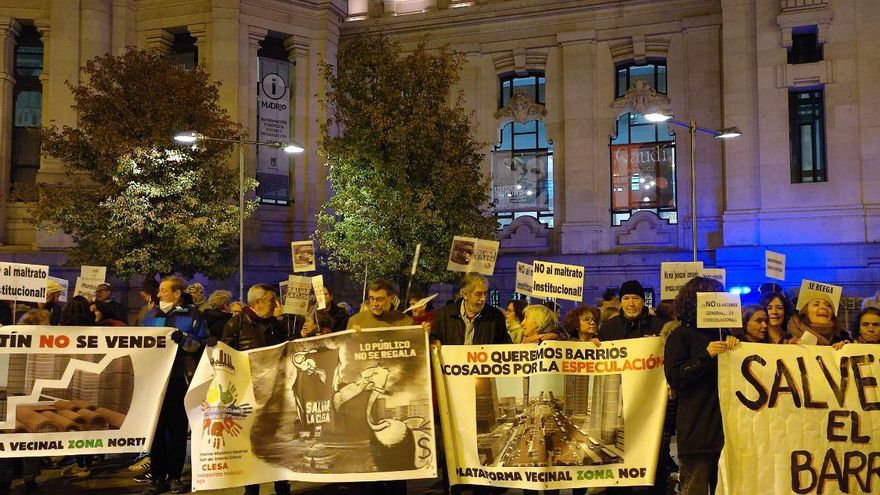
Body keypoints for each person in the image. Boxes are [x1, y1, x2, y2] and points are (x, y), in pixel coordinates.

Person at [664, 277, 739, 495]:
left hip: (726, 432)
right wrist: (706, 356)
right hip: (697, 432)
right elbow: (676, 377)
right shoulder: (680, 336)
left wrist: (736, 347)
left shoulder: (725, 334)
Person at [219, 284, 290, 495]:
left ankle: (281, 483)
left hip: (275, 393)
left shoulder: (276, 325)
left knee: (278, 441)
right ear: (258, 302)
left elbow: (289, 347)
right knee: (250, 443)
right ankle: (251, 487)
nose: (275, 304)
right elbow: (226, 356)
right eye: (271, 300)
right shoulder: (236, 323)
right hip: (248, 393)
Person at [142, 276, 207, 495]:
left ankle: (175, 476)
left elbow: (200, 345)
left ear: (177, 294)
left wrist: (185, 339)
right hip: (156, 382)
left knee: (177, 431)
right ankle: (157, 477)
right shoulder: (151, 316)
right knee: (156, 431)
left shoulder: (193, 316)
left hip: (180, 381)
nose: (158, 295)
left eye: (163, 290)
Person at [430, 272, 510, 346]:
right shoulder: (444, 316)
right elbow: (433, 339)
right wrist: (433, 340)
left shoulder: (496, 317)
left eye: (485, 293)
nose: (483, 298)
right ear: (465, 295)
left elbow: (505, 347)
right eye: (478, 294)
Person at [598, 280, 665, 341]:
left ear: (643, 302)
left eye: (635, 298)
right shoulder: (608, 328)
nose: (631, 304)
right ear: (621, 302)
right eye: (626, 298)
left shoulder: (660, 327)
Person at [348, 280, 413, 329]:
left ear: (392, 298)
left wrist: (422, 332)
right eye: (371, 298)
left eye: (380, 299)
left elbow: (417, 344)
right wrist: (354, 337)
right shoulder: (356, 321)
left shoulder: (406, 322)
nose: (374, 304)